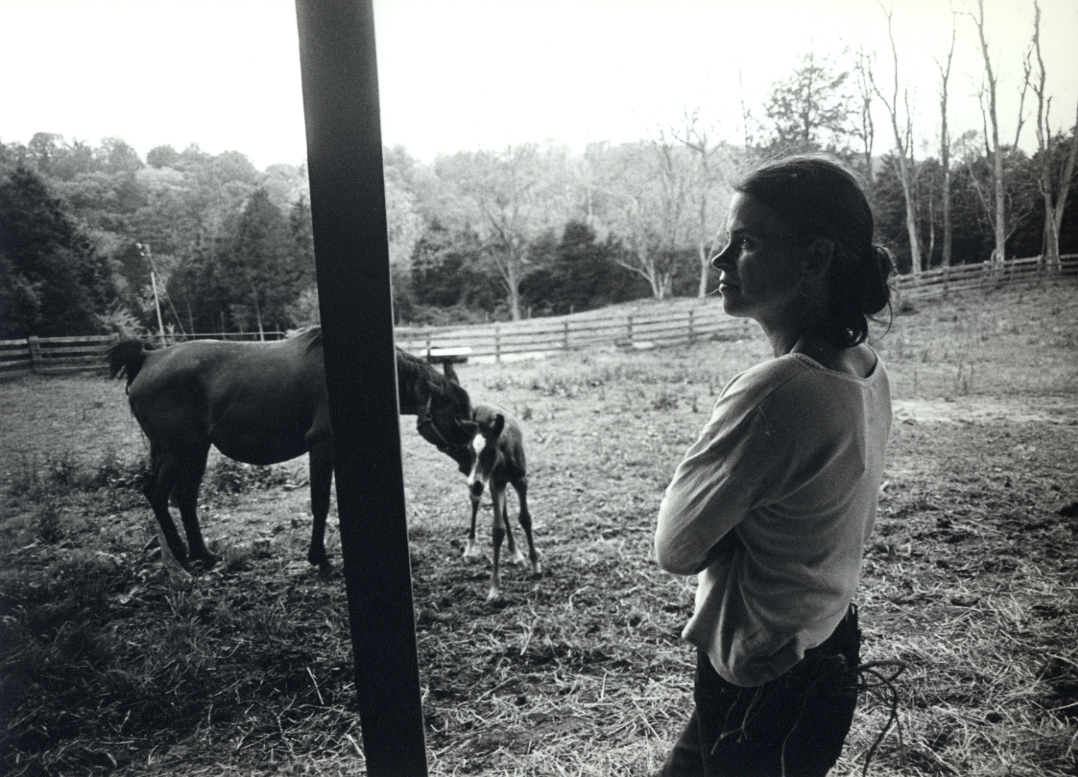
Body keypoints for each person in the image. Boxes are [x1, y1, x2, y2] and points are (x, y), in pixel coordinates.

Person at [654, 154, 895, 777]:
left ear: (814, 259)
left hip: (760, 677)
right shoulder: (865, 368)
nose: (720, 261)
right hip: (824, 643)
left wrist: (735, 530)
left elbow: (677, 547)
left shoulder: (777, 390)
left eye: (748, 242)